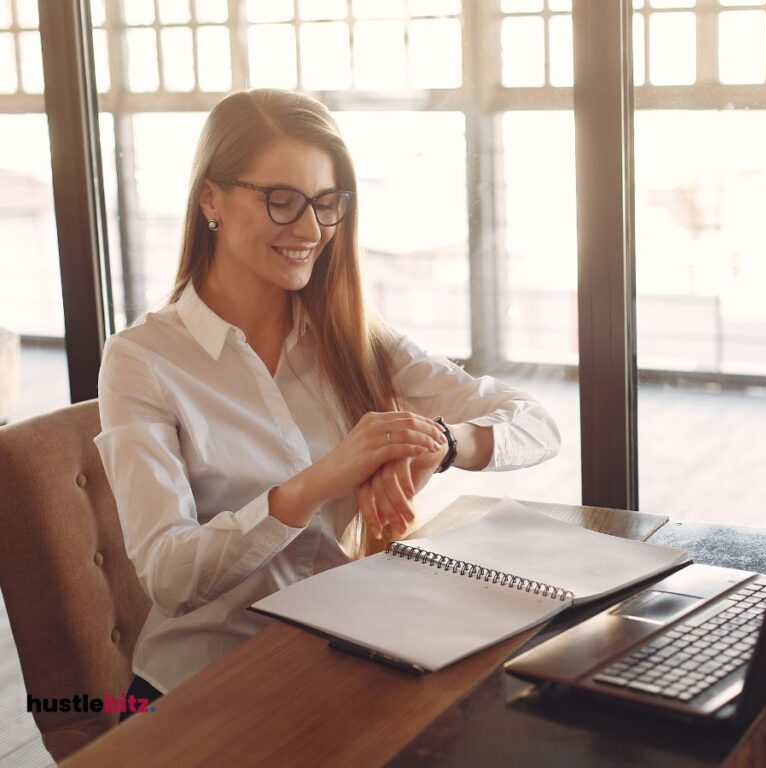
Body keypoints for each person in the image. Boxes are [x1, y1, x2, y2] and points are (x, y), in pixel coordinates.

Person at [94, 89, 560, 719]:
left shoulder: (352, 338)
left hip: (340, 652)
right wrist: (320, 480)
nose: (310, 231)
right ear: (211, 199)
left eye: (325, 203)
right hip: (197, 688)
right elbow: (170, 577)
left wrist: (441, 443)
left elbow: (535, 421)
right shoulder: (142, 359)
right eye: (280, 201)